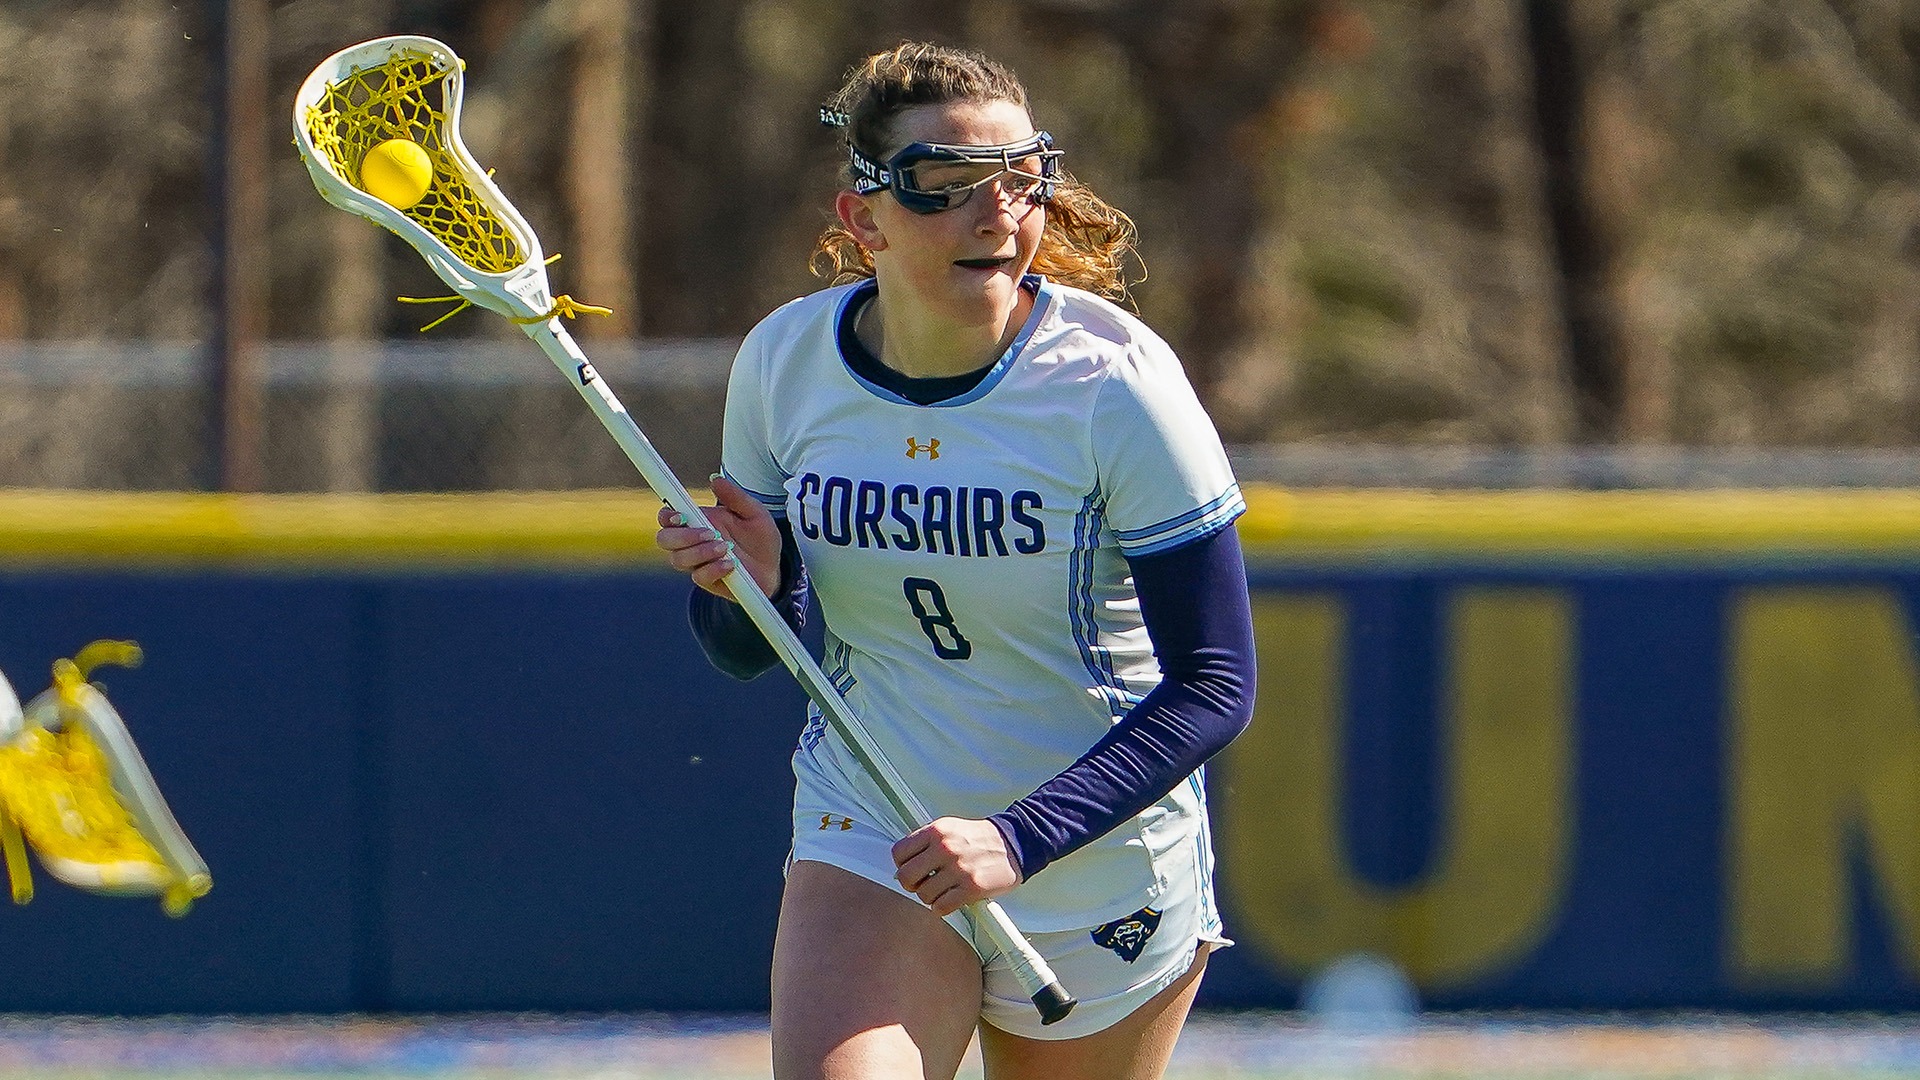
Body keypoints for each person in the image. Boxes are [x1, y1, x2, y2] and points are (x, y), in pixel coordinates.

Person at [655, 41, 1257, 1080]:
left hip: (1095, 865)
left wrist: (1019, 838)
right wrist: (750, 593)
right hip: (874, 833)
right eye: (945, 187)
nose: (998, 216)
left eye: (1022, 179)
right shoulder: (785, 363)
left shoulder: (1117, 386)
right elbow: (752, 655)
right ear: (864, 218)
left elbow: (1218, 683)